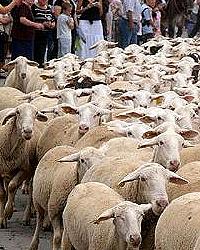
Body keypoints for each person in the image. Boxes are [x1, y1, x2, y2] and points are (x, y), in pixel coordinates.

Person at [32, 0, 55, 67]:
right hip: (36, 34)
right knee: (36, 53)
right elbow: (32, 19)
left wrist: (53, 24)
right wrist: (42, 23)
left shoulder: (48, 8)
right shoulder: (34, 7)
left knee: (44, 52)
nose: (44, 1)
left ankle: (42, 66)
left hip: (47, 34)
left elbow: (52, 18)